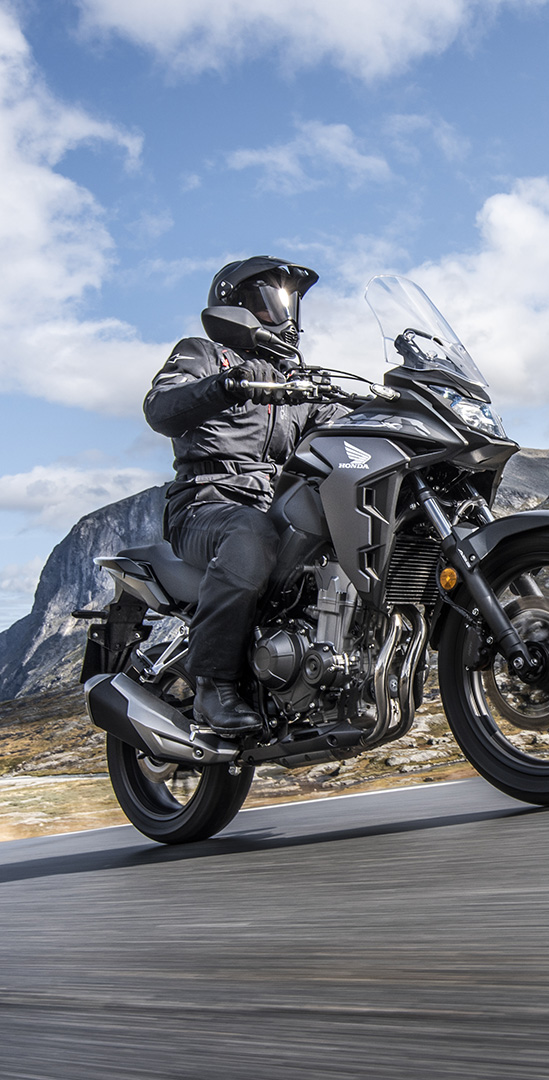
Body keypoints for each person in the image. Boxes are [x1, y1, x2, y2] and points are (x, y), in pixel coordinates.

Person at [143, 257, 348, 736]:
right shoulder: (203, 355)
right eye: (271, 299)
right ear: (234, 305)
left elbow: (338, 428)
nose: (286, 313)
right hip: (205, 503)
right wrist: (226, 385)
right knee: (250, 532)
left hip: (269, 508)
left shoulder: (297, 385)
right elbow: (161, 408)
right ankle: (212, 685)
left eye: (290, 302)